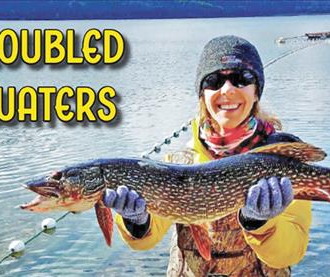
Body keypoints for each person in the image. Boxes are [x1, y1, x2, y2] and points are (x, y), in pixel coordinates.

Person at [103, 35, 312, 277]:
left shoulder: (281, 159)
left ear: (257, 92)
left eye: (241, 79)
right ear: (202, 95)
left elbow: (291, 253)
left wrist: (261, 223)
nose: (227, 90)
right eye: (214, 81)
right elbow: (145, 241)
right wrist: (136, 221)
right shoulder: (177, 162)